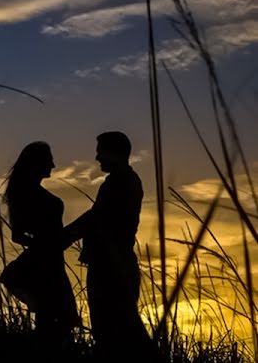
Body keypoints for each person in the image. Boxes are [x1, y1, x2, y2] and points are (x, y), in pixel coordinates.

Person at [64, 131, 154, 361]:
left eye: (101, 152)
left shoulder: (122, 182)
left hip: (112, 264)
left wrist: (64, 236)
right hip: (113, 262)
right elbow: (96, 217)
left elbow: (97, 218)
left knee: (114, 331)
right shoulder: (121, 181)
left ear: (115, 152)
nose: (97, 158)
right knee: (119, 329)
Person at [2, 141, 79, 348]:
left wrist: (45, 245)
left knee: (51, 318)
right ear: (37, 163)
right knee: (56, 319)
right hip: (47, 263)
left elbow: (18, 236)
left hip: (47, 260)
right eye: (49, 160)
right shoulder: (31, 196)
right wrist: (48, 245)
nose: (53, 165)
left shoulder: (24, 194)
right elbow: (21, 236)